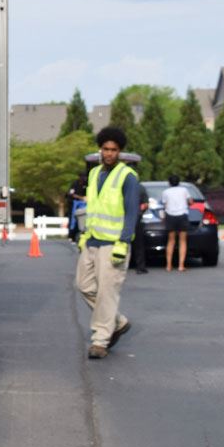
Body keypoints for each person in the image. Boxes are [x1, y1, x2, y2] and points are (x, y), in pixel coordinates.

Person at [76, 126, 141, 359]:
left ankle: (100, 340)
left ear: (120, 152)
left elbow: (132, 212)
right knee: (83, 286)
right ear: (100, 149)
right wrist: (84, 236)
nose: (109, 153)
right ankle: (119, 322)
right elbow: (93, 206)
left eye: (114, 150)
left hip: (114, 244)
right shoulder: (94, 174)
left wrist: (123, 242)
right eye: (105, 149)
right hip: (92, 241)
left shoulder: (128, 177)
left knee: (107, 293)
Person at [160, 174, 192, 271]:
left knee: (171, 241)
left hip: (170, 216)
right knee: (182, 241)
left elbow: (165, 205)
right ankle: (181, 265)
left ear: (169, 183)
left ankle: (168, 265)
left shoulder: (165, 192)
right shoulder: (184, 190)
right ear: (179, 182)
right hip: (182, 215)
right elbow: (191, 202)